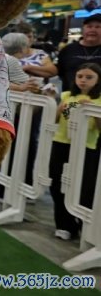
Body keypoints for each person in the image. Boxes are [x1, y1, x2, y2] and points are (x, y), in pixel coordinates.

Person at [0, 33, 41, 202]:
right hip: (14, 115)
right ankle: (3, 191)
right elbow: (29, 86)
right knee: (18, 152)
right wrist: (31, 88)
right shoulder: (11, 61)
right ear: (23, 48)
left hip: (1, 113)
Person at [48, 63, 101, 240]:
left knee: (85, 187)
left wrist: (92, 111)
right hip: (61, 143)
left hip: (86, 147)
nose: (83, 80)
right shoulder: (67, 95)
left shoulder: (99, 100)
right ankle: (64, 225)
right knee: (57, 183)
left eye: (89, 77)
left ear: (98, 80)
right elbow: (55, 120)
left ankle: (84, 225)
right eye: (80, 76)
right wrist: (58, 108)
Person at [56, 14, 101, 92]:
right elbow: (60, 72)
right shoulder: (68, 49)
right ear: (83, 29)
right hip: (71, 97)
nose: (93, 30)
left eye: (98, 27)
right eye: (89, 26)